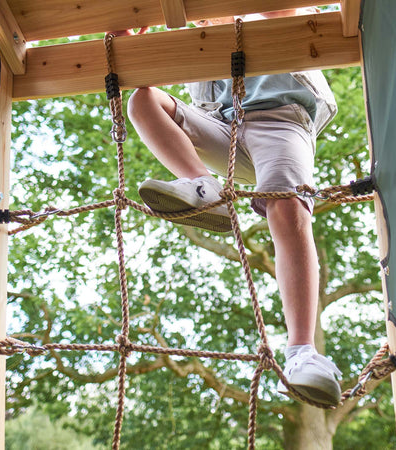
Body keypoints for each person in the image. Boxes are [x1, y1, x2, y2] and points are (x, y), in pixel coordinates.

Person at [126, 9, 342, 406]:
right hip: (222, 126)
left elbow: (281, 10)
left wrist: (227, 14)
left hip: (281, 120)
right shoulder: (200, 29)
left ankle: (302, 352)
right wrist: (131, 41)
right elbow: (147, 57)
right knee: (142, 100)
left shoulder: (271, 14)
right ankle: (203, 185)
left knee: (287, 208)